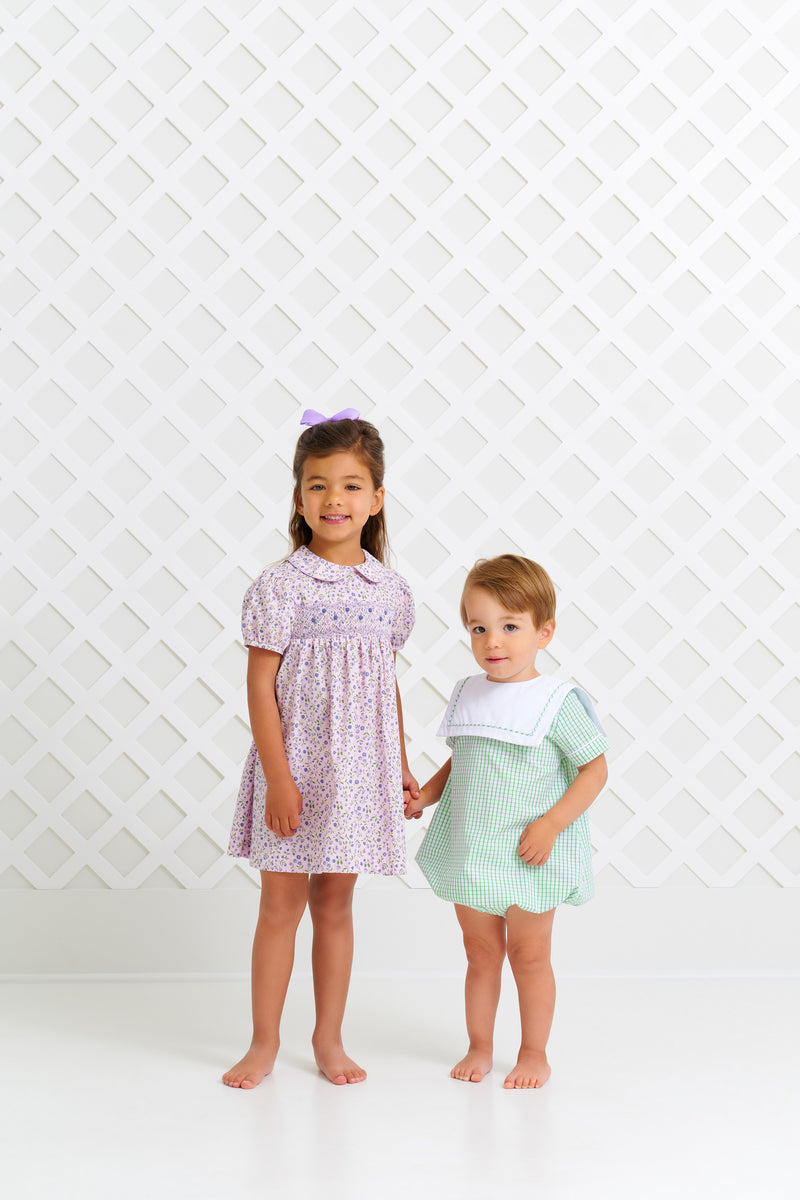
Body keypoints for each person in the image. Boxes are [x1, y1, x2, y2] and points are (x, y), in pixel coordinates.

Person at [224, 409, 417, 1088]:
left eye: (351, 485)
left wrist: (400, 765)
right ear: (299, 498)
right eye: (318, 485)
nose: (335, 498)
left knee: (335, 905)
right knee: (281, 907)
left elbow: (386, 686)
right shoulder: (281, 586)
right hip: (295, 769)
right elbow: (260, 688)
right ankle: (263, 1043)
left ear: (377, 498)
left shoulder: (389, 592)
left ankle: (328, 1038)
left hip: (358, 775)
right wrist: (279, 779)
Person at [405, 554, 608, 1089]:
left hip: (528, 852)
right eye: (479, 628)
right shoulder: (469, 693)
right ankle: (479, 1046)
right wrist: (426, 796)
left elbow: (594, 770)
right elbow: (463, 759)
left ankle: (534, 1053)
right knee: (480, 952)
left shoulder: (556, 701)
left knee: (529, 955)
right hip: (473, 847)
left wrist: (552, 824)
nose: (493, 641)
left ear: (544, 632)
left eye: (510, 627)